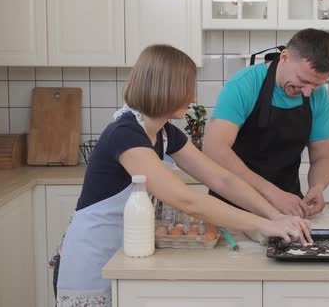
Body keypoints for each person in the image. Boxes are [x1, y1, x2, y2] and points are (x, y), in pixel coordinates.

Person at [54, 45, 312, 306]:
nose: (193, 96)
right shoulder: (124, 134)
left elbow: (222, 179)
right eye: (189, 86)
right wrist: (264, 225)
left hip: (127, 254)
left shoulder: (165, 133)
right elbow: (188, 201)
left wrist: (274, 215)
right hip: (92, 261)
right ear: (168, 88)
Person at [203, 28, 329, 218]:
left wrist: (318, 186)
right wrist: (271, 193)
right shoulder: (244, 84)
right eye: (303, 80)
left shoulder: (320, 97)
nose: (308, 91)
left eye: (316, 85)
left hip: (286, 208)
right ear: (284, 57)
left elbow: (323, 156)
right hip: (233, 207)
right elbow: (214, 148)